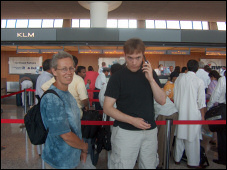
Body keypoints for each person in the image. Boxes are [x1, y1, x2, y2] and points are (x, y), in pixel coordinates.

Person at [103, 38, 166, 169]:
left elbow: (162, 100)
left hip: (149, 131)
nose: (134, 62)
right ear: (124, 55)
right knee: (122, 165)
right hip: (126, 132)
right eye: (130, 58)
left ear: (144, 55)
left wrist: (151, 80)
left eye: (138, 57)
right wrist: (132, 120)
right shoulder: (117, 77)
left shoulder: (150, 73)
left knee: (149, 165)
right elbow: (107, 108)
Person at [40, 51, 88, 169]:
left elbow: (75, 126)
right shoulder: (52, 98)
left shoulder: (66, 93)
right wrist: (84, 147)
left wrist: (81, 149)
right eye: (64, 69)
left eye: (71, 68)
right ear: (54, 71)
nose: (69, 73)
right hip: (59, 161)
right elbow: (65, 134)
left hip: (71, 158)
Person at [173, 59, 206, 169]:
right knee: (192, 138)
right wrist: (203, 116)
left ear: (187, 67)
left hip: (180, 112)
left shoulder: (178, 80)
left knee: (179, 136)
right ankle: (192, 162)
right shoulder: (199, 81)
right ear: (197, 68)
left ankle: (177, 159)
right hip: (192, 114)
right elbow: (201, 102)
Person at [98, 63, 123, 168]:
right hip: (121, 121)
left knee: (110, 144)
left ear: (111, 73)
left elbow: (101, 103)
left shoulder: (105, 86)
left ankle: (110, 166)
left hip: (108, 120)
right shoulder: (124, 85)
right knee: (120, 146)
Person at [35, 59, 53, 156]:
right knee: (46, 129)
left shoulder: (41, 76)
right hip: (46, 106)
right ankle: (46, 151)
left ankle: (41, 151)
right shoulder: (48, 78)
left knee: (41, 127)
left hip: (40, 104)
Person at [207, 71, 226, 165]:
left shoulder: (223, 79)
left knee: (222, 135)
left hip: (224, 109)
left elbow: (216, 94)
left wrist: (209, 107)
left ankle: (223, 159)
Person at [154, 97, 178, 169]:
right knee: (168, 139)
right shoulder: (158, 87)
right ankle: (164, 160)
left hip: (163, 113)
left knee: (161, 139)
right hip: (173, 112)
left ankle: (159, 163)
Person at [206, 70, 221, 146]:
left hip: (214, 106)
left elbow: (210, 95)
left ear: (213, 77)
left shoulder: (212, 83)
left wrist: (203, 95)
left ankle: (214, 139)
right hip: (221, 106)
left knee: (214, 122)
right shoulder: (220, 82)